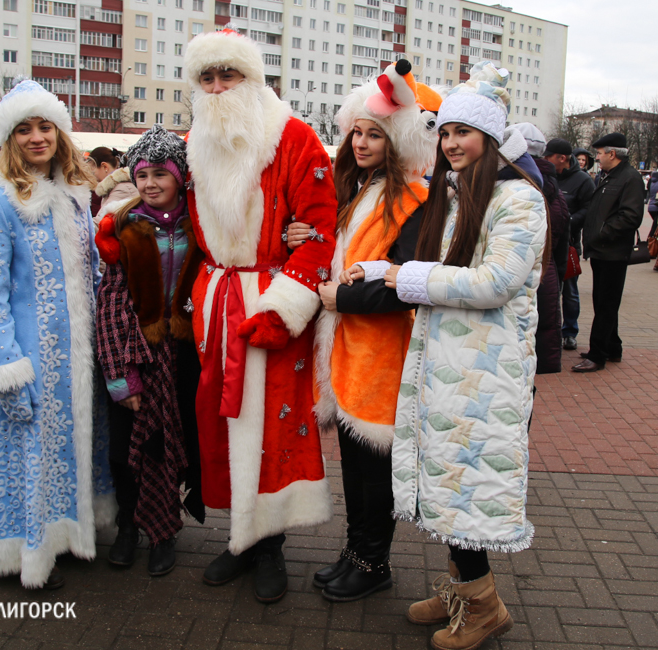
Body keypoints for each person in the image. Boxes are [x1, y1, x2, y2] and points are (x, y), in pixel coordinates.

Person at [354, 62, 545, 650]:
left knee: (469, 484)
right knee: (447, 480)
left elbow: (494, 282)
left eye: (464, 133)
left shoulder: (519, 200)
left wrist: (404, 277)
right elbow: (443, 270)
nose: (451, 143)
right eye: (446, 132)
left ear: (490, 139)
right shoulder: (457, 193)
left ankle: (484, 605)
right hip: (443, 366)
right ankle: (469, 586)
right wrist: (387, 271)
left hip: (488, 373)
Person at [183, 28, 337, 603]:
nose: (218, 87)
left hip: (272, 304)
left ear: (253, 79)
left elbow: (322, 229)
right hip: (218, 303)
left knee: (269, 426)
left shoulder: (293, 138)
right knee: (224, 425)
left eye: (230, 75)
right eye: (208, 77)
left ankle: (269, 545)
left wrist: (285, 308)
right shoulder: (195, 139)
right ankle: (240, 537)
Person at [294, 60, 442, 603]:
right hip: (348, 347)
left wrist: (343, 296)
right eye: (357, 130)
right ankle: (356, 552)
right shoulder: (361, 190)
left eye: (374, 133)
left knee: (375, 467)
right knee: (355, 464)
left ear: (397, 140)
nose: (360, 142)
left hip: (381, 350)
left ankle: (372, 561)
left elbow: (408, 280)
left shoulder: (415, 200)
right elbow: (352, 256)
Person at [0, 80, 108, 591]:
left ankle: (68, 533)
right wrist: (5, 363)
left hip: (77, 352)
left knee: (70, 444)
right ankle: (28, 548)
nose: (36, 137)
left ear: (59, 132)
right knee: (30, 451)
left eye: (44, 126)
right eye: (23, 129)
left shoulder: (75, 194)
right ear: (8, 138)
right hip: (31, 352)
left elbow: (89, 273)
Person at [94, 125, 205, 577]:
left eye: (161, 173)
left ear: (180, 176)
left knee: (169, 445)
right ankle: (127, 526)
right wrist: (121, 375)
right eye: (142, 175)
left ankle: (163, 532)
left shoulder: (200, 226)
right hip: (133, 354)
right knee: (124, 450)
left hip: (183, 358)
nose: (150, 184)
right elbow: (111, 305)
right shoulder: (122, 226)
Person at [571, 133, 645, 373]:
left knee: (606, 304)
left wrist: (601, 234)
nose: (597, 158)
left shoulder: (630, 178)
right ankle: (613, 347)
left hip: (613, 251)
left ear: (612, 154)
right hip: (601, 251)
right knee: (603, 302)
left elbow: (631, 216)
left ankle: (598, 354)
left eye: (600, 153)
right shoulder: (609, 176)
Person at [522, 125, 569, 375]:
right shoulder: (556, 191)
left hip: (520, 271)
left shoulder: (513, 184)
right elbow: (562, 238)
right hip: (547, 270)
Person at [545, 138, 594, 351]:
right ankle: (550, 332)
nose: (545, 159)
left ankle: (570, 332)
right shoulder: (547, 176)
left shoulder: (583, 181)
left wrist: (568, 221)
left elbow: (590, 209)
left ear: (562, 158)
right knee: (548, 291)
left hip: (570, 245)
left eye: (549, 156)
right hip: (547, 244)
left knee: (570, 292)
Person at [91, 147, 139, 224]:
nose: (93, 176)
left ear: (104, 166)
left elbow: (101, 222)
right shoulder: (119, 186)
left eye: (93, 171)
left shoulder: (123, 188)